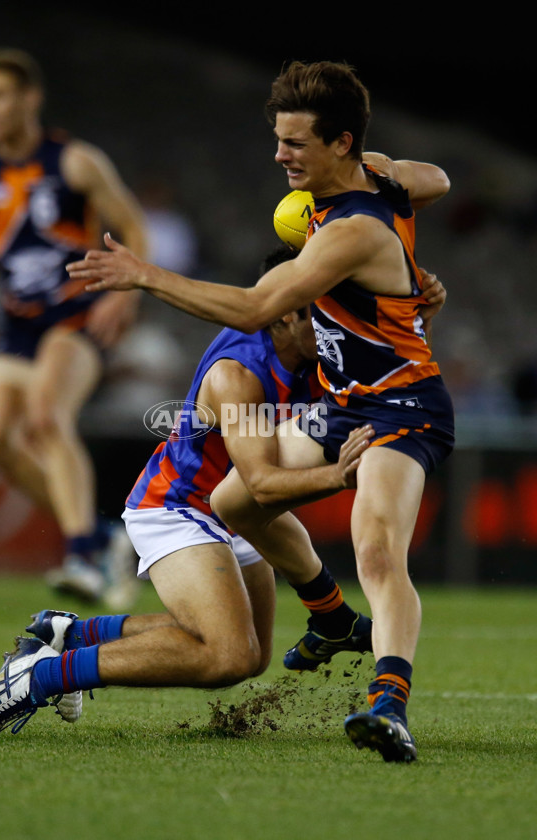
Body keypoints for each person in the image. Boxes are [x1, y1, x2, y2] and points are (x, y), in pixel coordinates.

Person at [61, 60, 455, 762]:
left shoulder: (349, 232)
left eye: (296, 142)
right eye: (278, 139)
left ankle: (388, 702)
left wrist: (145, 276)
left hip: (400, 407)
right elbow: (438, 180)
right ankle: (332, 619)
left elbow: (255, 307)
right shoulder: (380, 181)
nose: (279, 156)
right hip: (342, 404)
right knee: (235, 499)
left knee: (375, 548)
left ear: (339, 143)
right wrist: (406, 269)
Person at [0, 245, 379, 739]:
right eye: (325, 312)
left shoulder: (315, 347)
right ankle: (37, 678)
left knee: (252, 656)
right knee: (228, 654)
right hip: (179, 506)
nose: (338, 326)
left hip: (232, 507)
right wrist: (338, 476)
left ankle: (66, 636)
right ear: (287, 312)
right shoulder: (238, 374)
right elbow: (262, 486)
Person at [0, 48, 149, 603]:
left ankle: (85, 557)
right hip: (19, 324)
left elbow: (133, 225)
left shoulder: (75, 162)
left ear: (30, 98)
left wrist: (125, 295)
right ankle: (102, 537)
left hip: (75, 315)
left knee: (46, 417)